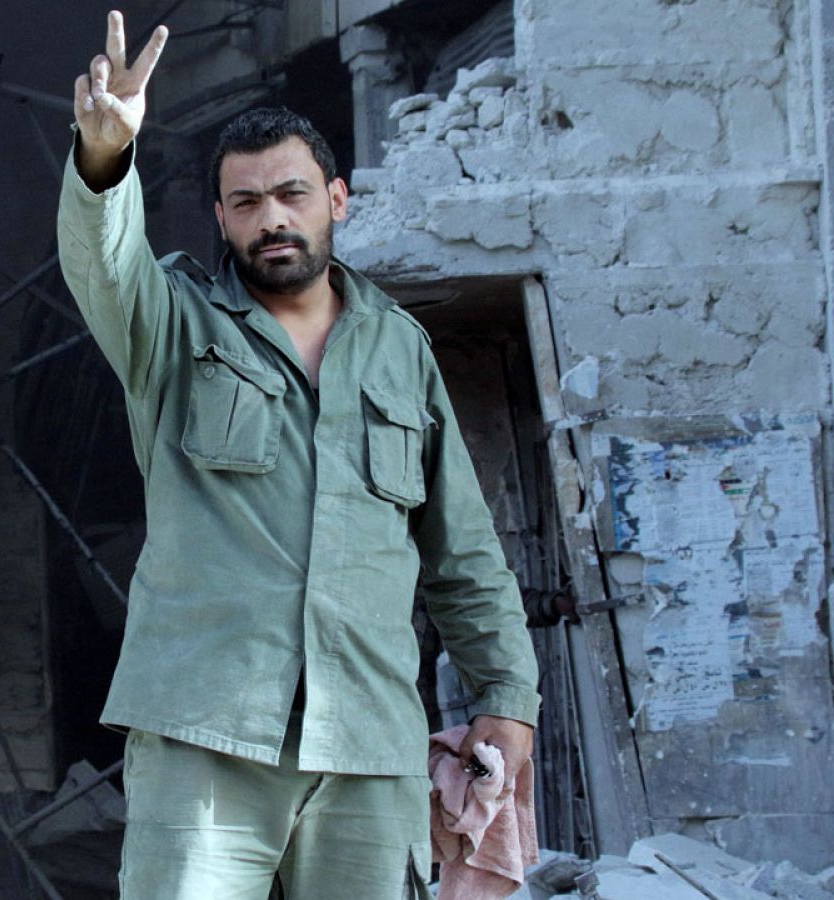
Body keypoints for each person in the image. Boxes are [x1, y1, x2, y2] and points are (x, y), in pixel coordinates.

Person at [55, 11, 541, 899]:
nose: (270, 220)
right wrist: (104, 162)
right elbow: (103, 262)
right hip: (207, 735)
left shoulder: (400, 351)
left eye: (292, 195)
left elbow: (463, 555)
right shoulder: (170, 326)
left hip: (368, 743)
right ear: (221, 218)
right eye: (246, 203)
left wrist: (506, 699)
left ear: (337, 199)